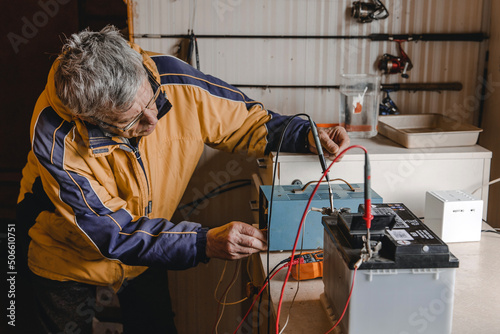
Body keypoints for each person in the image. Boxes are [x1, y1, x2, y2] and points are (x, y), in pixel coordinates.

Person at [17, 25, 350, 333]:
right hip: (64, 253)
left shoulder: (170, 75)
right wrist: (202, 242)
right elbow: (113, 231)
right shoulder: (56, 138)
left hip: (147, 240)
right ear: (90, 117)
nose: (153, 121)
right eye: (132, 121)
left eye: (152, 102)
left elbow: (244, 121)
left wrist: (304, 134)